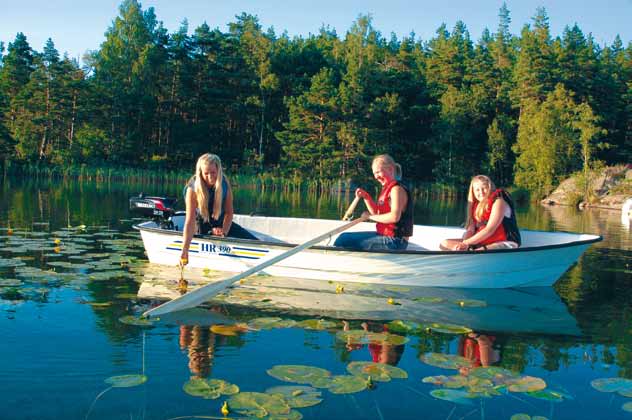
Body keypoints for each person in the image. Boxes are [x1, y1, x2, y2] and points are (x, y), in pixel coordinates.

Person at [180, 153, 256, 264]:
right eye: (206, 173)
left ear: (218, 171)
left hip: (221, 223)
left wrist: (223, 232)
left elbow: (229, 213)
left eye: (213, 173)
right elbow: (190, 221)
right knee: (201, 227)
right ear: (200, 173)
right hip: (201, 224)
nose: (210, 177)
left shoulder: (224, 182)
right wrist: (185, 249)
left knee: (254, 241)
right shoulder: (192, 188)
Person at [334, 154, 413, 251]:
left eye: (378, 172)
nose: (376, 177)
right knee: (344, 236)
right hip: (386, 236)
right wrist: (366, 197)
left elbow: (394, 217)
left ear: (390, 169)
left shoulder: (396, 190)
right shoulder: (387, 188)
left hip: (395, 242)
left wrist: (369, 217)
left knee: (343, 240)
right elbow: (377, 214)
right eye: (374, 173)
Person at [440, 175, 520, 251]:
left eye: (484, 188)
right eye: (477, 190)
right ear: (473, 192)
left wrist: (465, 243)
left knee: (476, 252)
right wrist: (464, 245)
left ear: (490, 188)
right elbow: (471, 230)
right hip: (484, 242)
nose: (481, 192)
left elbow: (489, 230)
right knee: (444, 244)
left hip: (505, 242)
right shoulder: (475, 206)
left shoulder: (499, 202)